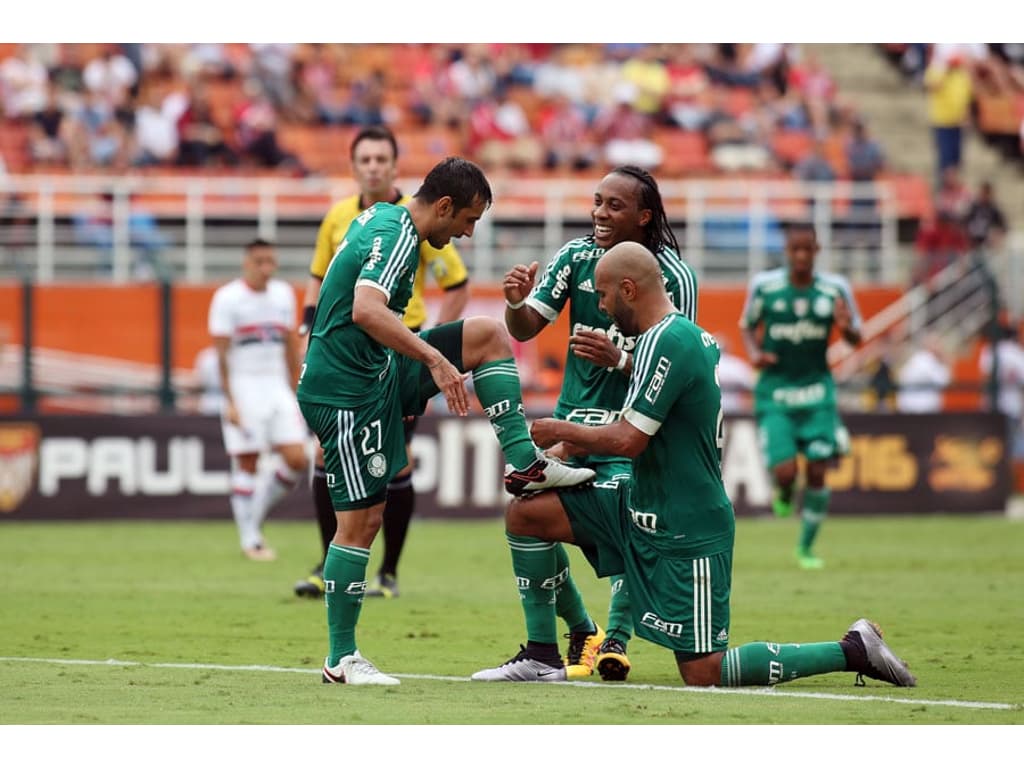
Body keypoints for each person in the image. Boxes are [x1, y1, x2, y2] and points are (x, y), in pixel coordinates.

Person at [472, 241, 915, 689]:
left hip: (687, 525)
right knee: (527, 514)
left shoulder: (673, 340)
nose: (601, 308)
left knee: (703, 672)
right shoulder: (652, 342)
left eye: (603, 296)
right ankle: (547, 652)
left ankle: (852, 650)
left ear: (628, 290)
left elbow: (629, 440)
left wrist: (562, 431)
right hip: (637, 505)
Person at [297, 156, 595, 685]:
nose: (467, 232)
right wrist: (433, 360)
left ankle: (526, 463)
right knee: (361, 523)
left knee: (486, 336)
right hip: (344, 392)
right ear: (442, 206)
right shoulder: (397, 236)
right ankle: (341, 660)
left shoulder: (388, 221)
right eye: (467, 220)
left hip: (377, 373)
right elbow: (366, 309)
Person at [503, 165, 699, 682]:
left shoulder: (673, 277)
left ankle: (615, 638)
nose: (599, 214)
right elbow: (527, 326)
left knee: (629, 523)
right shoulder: (574, 257)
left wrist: (620, 359)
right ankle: (578, 629)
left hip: (632, 435)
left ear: (644, 215)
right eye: (596, 202)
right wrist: (516, 302)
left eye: (614, 206)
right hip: (572, 432)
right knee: (526, 512)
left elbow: (689, 368)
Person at [292, 125, 472, 601]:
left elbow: (456, 288)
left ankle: (385, 572)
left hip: (392, 353)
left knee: (385, 480)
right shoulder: (366, 223)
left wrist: (426, 345)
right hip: (357, 367)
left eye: (380, 159)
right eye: (364, 159)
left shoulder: (395, 222)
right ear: (354, 167)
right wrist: (433, 357)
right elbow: (350, 302)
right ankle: (338, 586)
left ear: (395, 167)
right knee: (357, 500)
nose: (372, 167)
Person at [739, 222, 863, 570]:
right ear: (787, 251)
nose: (802, 256)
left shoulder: (835, 289)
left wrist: (846, 326)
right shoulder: (764, 287)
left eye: (808, 249)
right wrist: (754, 353)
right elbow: (746, 325)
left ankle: (806, 548)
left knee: (820, 469)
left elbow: (856, 338)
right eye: (796, 249)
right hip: (775, 392)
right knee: (785, 472)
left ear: (817, 250)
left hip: (816, 392)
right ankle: (783, 491)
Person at [208, 238, 310, 561]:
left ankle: (254, 517)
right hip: (244, 385)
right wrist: (230, 400)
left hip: (276, 386)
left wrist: (297, 389)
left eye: (271, 261)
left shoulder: (282, 295)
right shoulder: (228, 298)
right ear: (247, 263)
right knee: (248, 460)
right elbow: (221, 355)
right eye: (260, 261)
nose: (267, 268)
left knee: (297, 459)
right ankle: (250, 538)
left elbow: (289, 347)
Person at [979, 322, 1024, 460]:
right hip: (1011, 406)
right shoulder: (1016, 352)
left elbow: (985, 377)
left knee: (994, 445)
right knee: (1013, 444)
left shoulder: (990, 350)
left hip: (994, 406)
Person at [896, 332, 951, 414]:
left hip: (910, 408)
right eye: (937, 343)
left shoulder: (917, 359)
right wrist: (945, 360)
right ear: (929, 345)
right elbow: (943, 381)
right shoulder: (927, 360)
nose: (940, 346)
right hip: (921, 411)